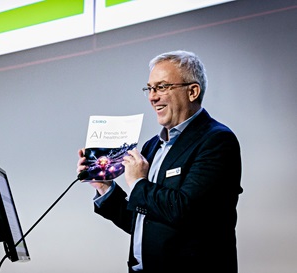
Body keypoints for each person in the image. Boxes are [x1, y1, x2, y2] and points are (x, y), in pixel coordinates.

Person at [77, 50, 243, 273]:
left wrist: (138, 183)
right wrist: (105, 187)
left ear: (192, 91)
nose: (152, 97)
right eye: (150, 88)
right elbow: (143, 222)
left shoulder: (216, 140)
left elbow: (186, 211)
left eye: (162, 87)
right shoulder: (151, 146)